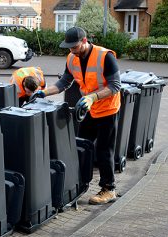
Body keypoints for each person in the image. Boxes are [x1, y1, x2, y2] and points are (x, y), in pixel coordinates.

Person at [36, 26, 121, 205]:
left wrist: (92, 97)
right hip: (90, 108)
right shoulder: (72, 58)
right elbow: (64, 82)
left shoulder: (105, 57)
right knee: (81, 145)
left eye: (74, 46)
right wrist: (44, 92)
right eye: (69, 47)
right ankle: (79, 183)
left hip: (107, 109)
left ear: (84, 41)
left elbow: (115, 86)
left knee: (104, 150)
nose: (72, 50)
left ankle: (109, 189)